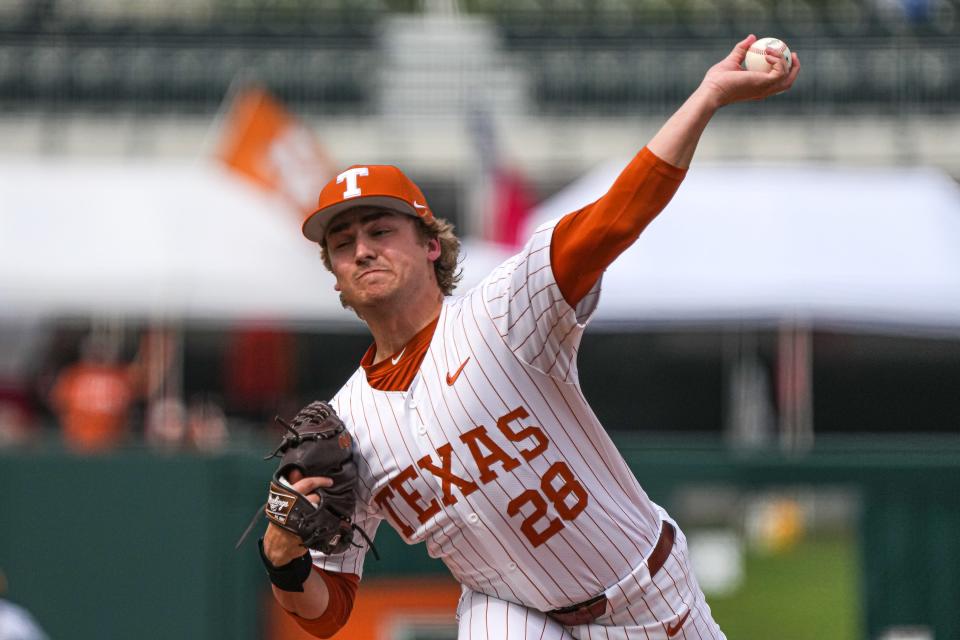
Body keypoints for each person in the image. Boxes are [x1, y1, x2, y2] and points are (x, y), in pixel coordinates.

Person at [258, 36, 799, 639]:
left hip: (641, 596)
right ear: (336, 277)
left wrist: (707, 97)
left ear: (431, 244)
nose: (361, 249)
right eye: (342, 244)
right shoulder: (347, 424)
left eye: (380, 230)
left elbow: (617, 216)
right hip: (507, 609)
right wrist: (285, 562)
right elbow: (327, 611)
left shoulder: (504, 309)